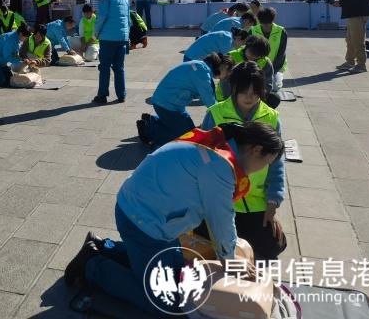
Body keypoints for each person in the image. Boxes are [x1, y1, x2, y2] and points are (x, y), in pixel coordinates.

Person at [65, 121, 283, 315]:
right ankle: (92, 265)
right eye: (267, 162)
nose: (263, 169)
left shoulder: (221, 144)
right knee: (165, 302)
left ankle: (103, 245)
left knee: (176, 273)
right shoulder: (221, 166)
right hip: (141, 220)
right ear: (256, 150)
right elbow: (221, 220)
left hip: (152, 214)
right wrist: (231, 263)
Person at [200, 62, 287, 261]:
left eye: (255, 92)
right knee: (214, 250)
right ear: (233, 88)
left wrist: (273, 203)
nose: (250, 97)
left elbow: (277, 163)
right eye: (244, 91)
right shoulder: (215, 114)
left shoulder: (272, 117)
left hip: (255, 201)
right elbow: (202, 160)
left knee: (272, 246)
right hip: (222, 199)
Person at [137, 53, 234, 147]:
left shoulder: (201, 67)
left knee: (191, 132)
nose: (226, 78)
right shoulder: (202, 74)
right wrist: (225, 118)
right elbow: (211, 103)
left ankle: (152, 120)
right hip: (166, 105)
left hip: (171, 104)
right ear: (224, 67)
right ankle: (148, 129)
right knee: (186, 139)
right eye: (228, 73)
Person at [92, 0, 131, 105]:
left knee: (104, 67)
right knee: (119, 68)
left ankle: (102, 95)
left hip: (108, 37)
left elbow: (102, 16)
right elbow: (128, 17)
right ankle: (122, 95)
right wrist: (127, 35)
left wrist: (95, 33)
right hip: (122, 36)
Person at [225, 35, 280, 108]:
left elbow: (268, 83)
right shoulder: (231, 56)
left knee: (274, 98)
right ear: (246, 46)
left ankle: (256, 114)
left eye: (258, 55)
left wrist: (259, 94)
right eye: (251, 52)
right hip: (233, 92)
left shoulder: (266, 62)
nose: (253, 56)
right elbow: (225, 80)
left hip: (254, 94)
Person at [252, 7, 288, 91]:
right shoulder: (253, 30)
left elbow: (281, 53)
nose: (266, 27)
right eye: (264, 24)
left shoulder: (281, 31)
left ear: (272, 20)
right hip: (258, 67)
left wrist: (272, 71)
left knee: (275, 86)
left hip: (276, 67)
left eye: (268, 24)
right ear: (260, 22)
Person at [184, 28, 248, 62]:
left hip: (191, 55)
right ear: (239, 38)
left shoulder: (228, 35)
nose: (241, 46)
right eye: (243, 43)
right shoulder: (228, 42)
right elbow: (224, 62)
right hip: (193, 58)